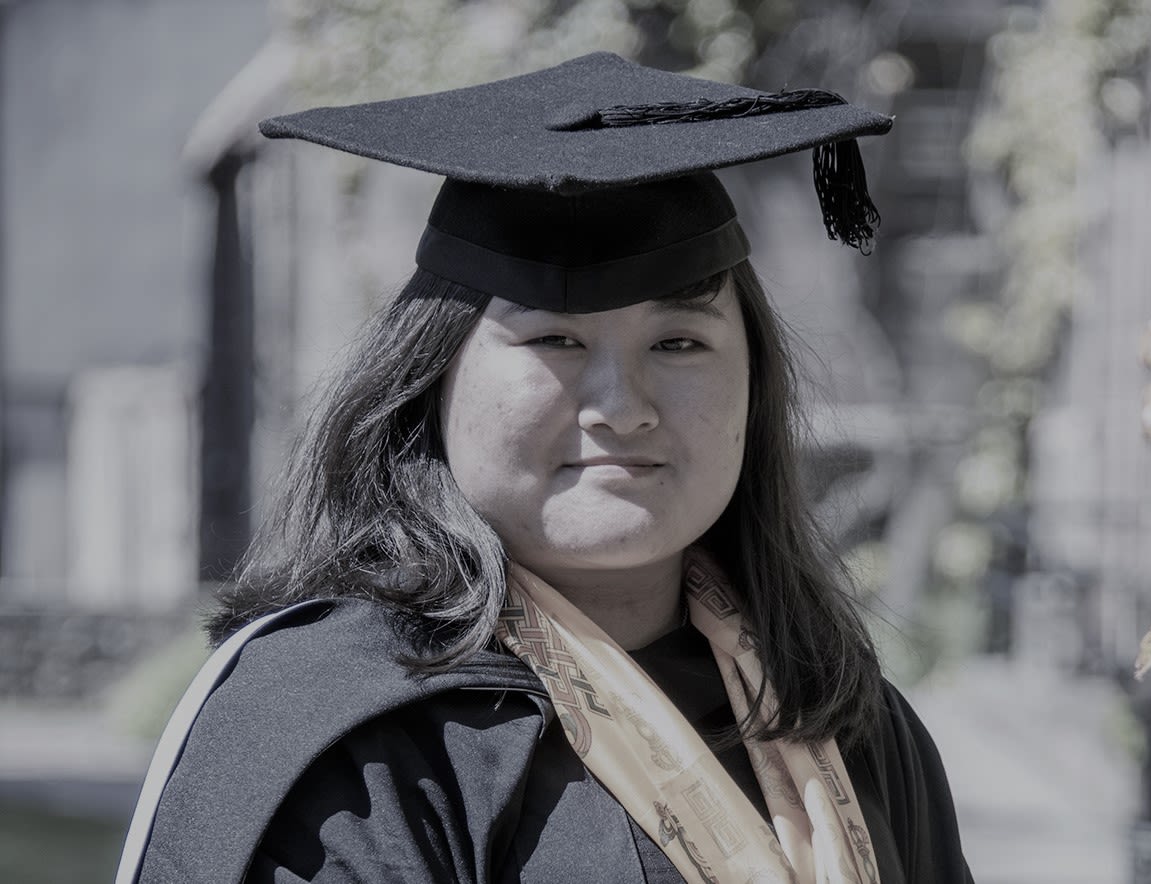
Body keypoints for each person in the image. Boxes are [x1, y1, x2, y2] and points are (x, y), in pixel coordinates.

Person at [117, 52, 974, 883]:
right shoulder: (338, 737)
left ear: (755, 384)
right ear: (430, 378)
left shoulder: (839, 722)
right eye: (554, 340)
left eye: (679, 342)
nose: (623, 404)